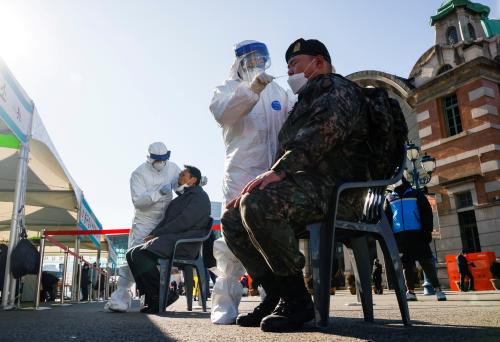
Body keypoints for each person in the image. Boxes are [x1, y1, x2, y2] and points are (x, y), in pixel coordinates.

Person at [222, 38, 406, 332]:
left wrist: (278, 171)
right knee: (231, 219)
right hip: (315, 192)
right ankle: (279, 294)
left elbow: (323, 132)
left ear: (318, 63)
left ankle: (297, 301)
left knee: (258, 204)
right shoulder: (307, 98)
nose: (290, 72)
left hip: (342, 194)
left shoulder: (337, 89)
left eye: (295, 65)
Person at [209, 40, 295, 324]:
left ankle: (273, 297)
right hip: (241, 172)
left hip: (273, 174)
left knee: (271, 237)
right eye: (252, 58)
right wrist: (253, 89)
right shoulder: (227, 88)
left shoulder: (278, 90)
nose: (257, 62)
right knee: (232, 239)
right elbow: (225, 113)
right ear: (240, 61)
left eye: (262, 57)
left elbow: (294, 116)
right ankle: (225, 302)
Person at [105, 142, 181, 312]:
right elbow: (138, 202)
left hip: (164, 221)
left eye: (164, 160)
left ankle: (154, 297)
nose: (162, 163)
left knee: (159, 260)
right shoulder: (138, 174)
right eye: (158, 160)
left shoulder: (173, 168)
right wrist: (158, 193)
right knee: (133, 256)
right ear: (150, 159)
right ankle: (121, 297)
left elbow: (180, 186)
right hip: (144, 220)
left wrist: (195, 184)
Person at [126, 165, 211, 314]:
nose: (179, 178)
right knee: (131, 254)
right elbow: (166, 222)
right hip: (173, 239)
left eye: (183, 175)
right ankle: (154, 297)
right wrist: (154, 233)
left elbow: (185, 221)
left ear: (193, 180)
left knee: (140, 255)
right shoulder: (181, 198)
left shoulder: (199, 197)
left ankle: (163, 295)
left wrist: (158, 234)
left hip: (185, 243)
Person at [384, 177, 446, 301]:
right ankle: (410, 291)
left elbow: (426, 211)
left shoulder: (416, 193)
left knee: (426, 262)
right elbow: (387, 218)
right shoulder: (389, 197)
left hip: (418, 233)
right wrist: (390, 236)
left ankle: (438, 289)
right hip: (400, 235)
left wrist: (427, 230)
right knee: (407, 265)